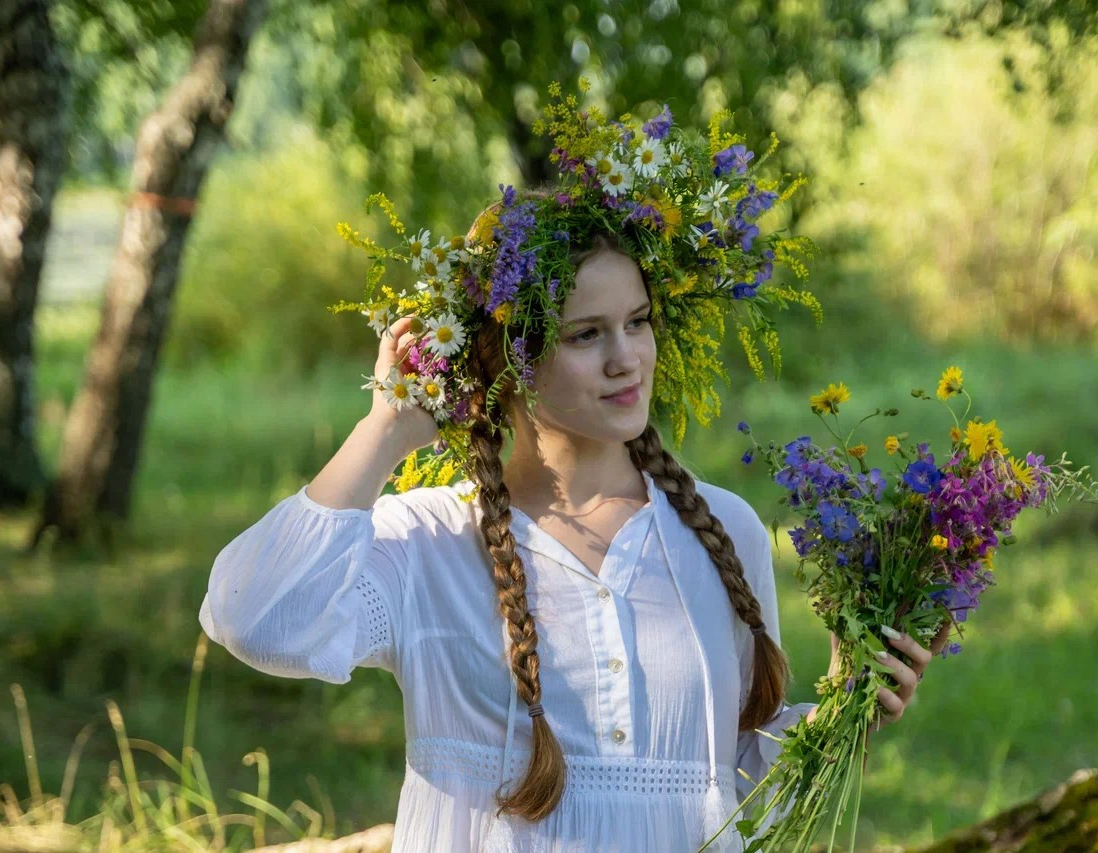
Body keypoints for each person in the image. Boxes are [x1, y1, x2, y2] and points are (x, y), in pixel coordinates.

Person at [200, 91, 939, 852]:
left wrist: (848, 711)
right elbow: (252, 616)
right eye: (587, 333)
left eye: (638, 322)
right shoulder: (427, 541)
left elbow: (729, 795)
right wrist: (386, 427)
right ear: (506, 359)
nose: (627, 359)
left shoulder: (723, 534)